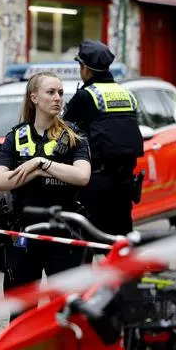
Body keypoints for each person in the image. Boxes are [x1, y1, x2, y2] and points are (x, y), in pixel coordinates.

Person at [0, 71, 91, 350]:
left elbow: (82, 176)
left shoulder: (74, 137)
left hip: (64, 237)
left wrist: (40, 163)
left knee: (66, 316)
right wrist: (33, 169)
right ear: (34, 97)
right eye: (51, 92)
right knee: (22, 317)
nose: (58, 98)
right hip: (24, 236)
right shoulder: (16, 137)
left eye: (61, 92)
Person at [62, 39, 144, 239]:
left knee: (87, 240)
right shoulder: (127, 94)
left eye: (80, 66)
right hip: (124, 184)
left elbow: (64, 131)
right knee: (120, 240)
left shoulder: (86, 96)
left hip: (95, 182)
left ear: (86, 69)